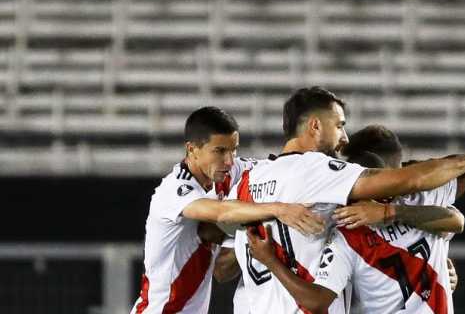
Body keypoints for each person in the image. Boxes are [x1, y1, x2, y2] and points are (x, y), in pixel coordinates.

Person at [230, 87, 465, 313]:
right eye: (339, 126)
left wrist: (271, 225)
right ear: (315, 126)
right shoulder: (322, 176)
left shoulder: (247, 180)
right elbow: (412, 182)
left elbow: (221, 265)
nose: (343, 138)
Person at [130, 107, 323, 313]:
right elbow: (222, 213)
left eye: (234, 150)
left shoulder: (227, 173)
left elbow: (277, 168)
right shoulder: (173, 189)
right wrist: (280, 209)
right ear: (192, 149)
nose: (230, 161)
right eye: (220, 151)